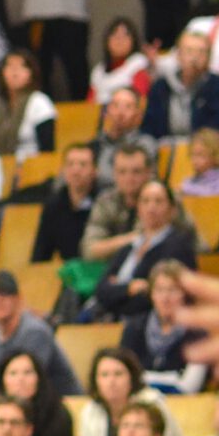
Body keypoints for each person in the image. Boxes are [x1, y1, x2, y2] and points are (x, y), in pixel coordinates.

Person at [87, 180, 195, 321]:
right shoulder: (129, 246)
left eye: (158, 201)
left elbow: (152, 298)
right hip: (113, 319)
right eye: (145, 201)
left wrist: (116, 290)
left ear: (172, 209)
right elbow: (101, 289)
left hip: (147, 322)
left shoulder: (177, 247)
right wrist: (129, 288)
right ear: (138, 208)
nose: (151, 208)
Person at [0, 270, 81, 398]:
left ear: (18, 298)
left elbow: (28, 386)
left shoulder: (36, 332)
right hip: (14, 406)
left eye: (5, 293)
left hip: (58, 404)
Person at [77, 346, 184, 436]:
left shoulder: (152, 403)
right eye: (104, 375)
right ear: (95, 380)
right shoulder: (90, 411)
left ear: (131, 377)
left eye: (118, 374)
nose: (111, 382)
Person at [84, 143, 198, 263]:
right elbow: (90, 250)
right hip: (118, 269)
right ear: (114, 174)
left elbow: (192, 242)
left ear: (149, 172)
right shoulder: (106, 201)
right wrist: (133, 239)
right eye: (122, 172)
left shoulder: (165, 198)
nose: (129, 178)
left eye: (136, 172)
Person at [125, 261, 210, 392]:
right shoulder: (135, 327)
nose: (165, 298)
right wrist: (172, 379)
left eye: (172, 290)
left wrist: (146, 379)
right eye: (159, 290)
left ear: (184, 293)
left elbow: (189, 387)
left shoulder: (198, 332)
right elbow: (125, 377)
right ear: (151, 294)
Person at [146, 30, 219, 145]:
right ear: (178, 54)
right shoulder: (161, 86)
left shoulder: (218, 86)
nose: (194, 57)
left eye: (201, 52)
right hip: (164, 150)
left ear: (209, 57)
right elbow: (148, 128)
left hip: (205, 152)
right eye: (189, 51)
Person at [0, 48, 58, 161]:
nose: (15, 71)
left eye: (21, 66)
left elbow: (47, 150)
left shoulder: (40, 102)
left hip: (31, 167)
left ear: (31, 73)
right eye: (9, 66)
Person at [32, 143, 102, 264]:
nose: (76, 170)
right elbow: (41, 254)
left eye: (83, 165)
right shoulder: (53, 205)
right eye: (70, 164)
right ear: (63, 169)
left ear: (95, 170)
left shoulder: (103, 202)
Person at [182, 127, 219, 197]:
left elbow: (215, 194)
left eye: (200, 155)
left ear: (216, 155)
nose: (194, 160)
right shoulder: (190, 181)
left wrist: (188, 190)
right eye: (192, 154)